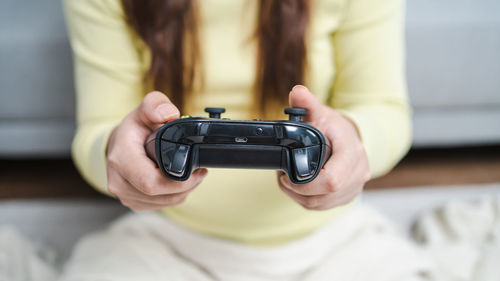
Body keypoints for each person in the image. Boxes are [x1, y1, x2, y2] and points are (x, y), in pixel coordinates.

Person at [61, 0, 434, 280]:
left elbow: (384, 109)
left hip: (333, 240)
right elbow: (97, 129)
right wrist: (115, 149)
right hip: (167, 240)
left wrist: (354, 139)